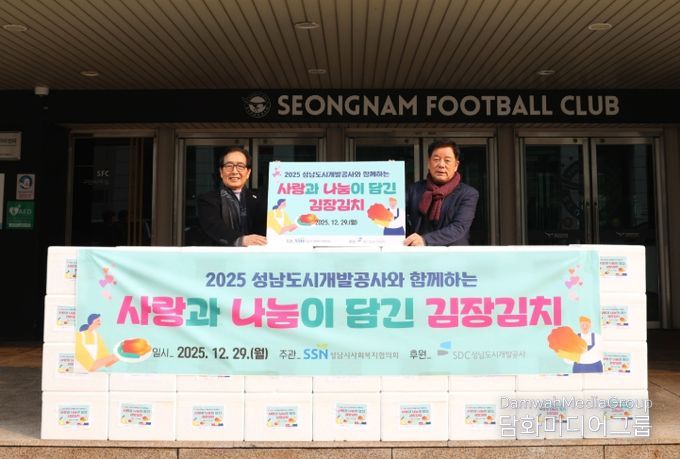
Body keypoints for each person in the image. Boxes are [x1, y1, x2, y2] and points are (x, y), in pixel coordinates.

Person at [404, 139, 479, 246]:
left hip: (453, 254)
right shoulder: (413, 190)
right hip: (419, 253)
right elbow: (396, 214)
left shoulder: (467, 194)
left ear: (456, 165)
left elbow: (459, 227)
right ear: (428, 163)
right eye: (436, 159)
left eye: (447, 160)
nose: (441, 165)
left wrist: (425, 240)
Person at [196, 147, 267, 246]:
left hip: (256, 254)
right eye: (229, 166)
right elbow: (215, 227)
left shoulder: (261, 199)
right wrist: (240, 240)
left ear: (248, 173)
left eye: (240, 166)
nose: (234, 171)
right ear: (221, 172)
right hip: (221, 254)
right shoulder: (207, 200)